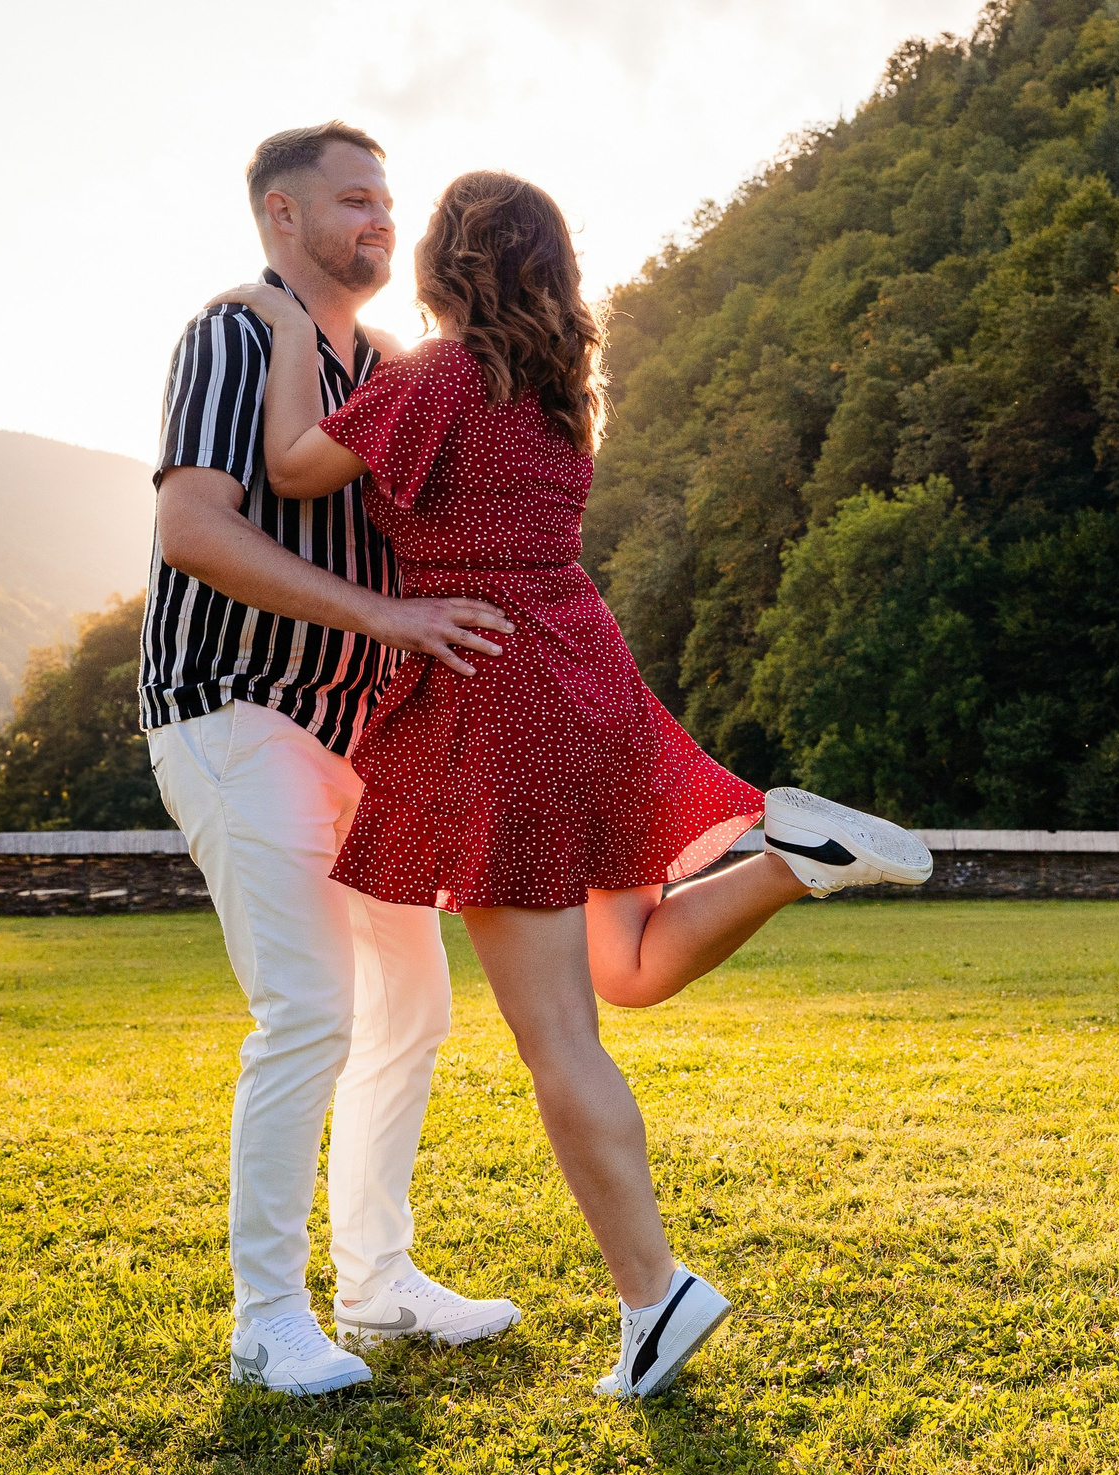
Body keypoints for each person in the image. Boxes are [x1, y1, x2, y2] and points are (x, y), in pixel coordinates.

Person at [213, 169, 931, 1401]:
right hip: (588, 678)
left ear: (447, 261)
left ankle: (654, 1294)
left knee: (560, 1041)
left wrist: (288, 325)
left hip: (496, 695)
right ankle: (786, 866)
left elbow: (284, 469)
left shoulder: (434, 381)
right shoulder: (559, 395)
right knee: (629, 966)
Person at [145, 123, 529, 1398]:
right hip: (235, 708)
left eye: (387, 201)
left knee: (411, 1007)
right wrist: (389, 618)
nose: (378, 218)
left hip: (361, 736)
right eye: (351, 200)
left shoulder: (381, 367)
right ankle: (267, 1318)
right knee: (309, 1009)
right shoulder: (236, 332)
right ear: (279, 214)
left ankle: (377, 1281)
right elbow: (194, 530)